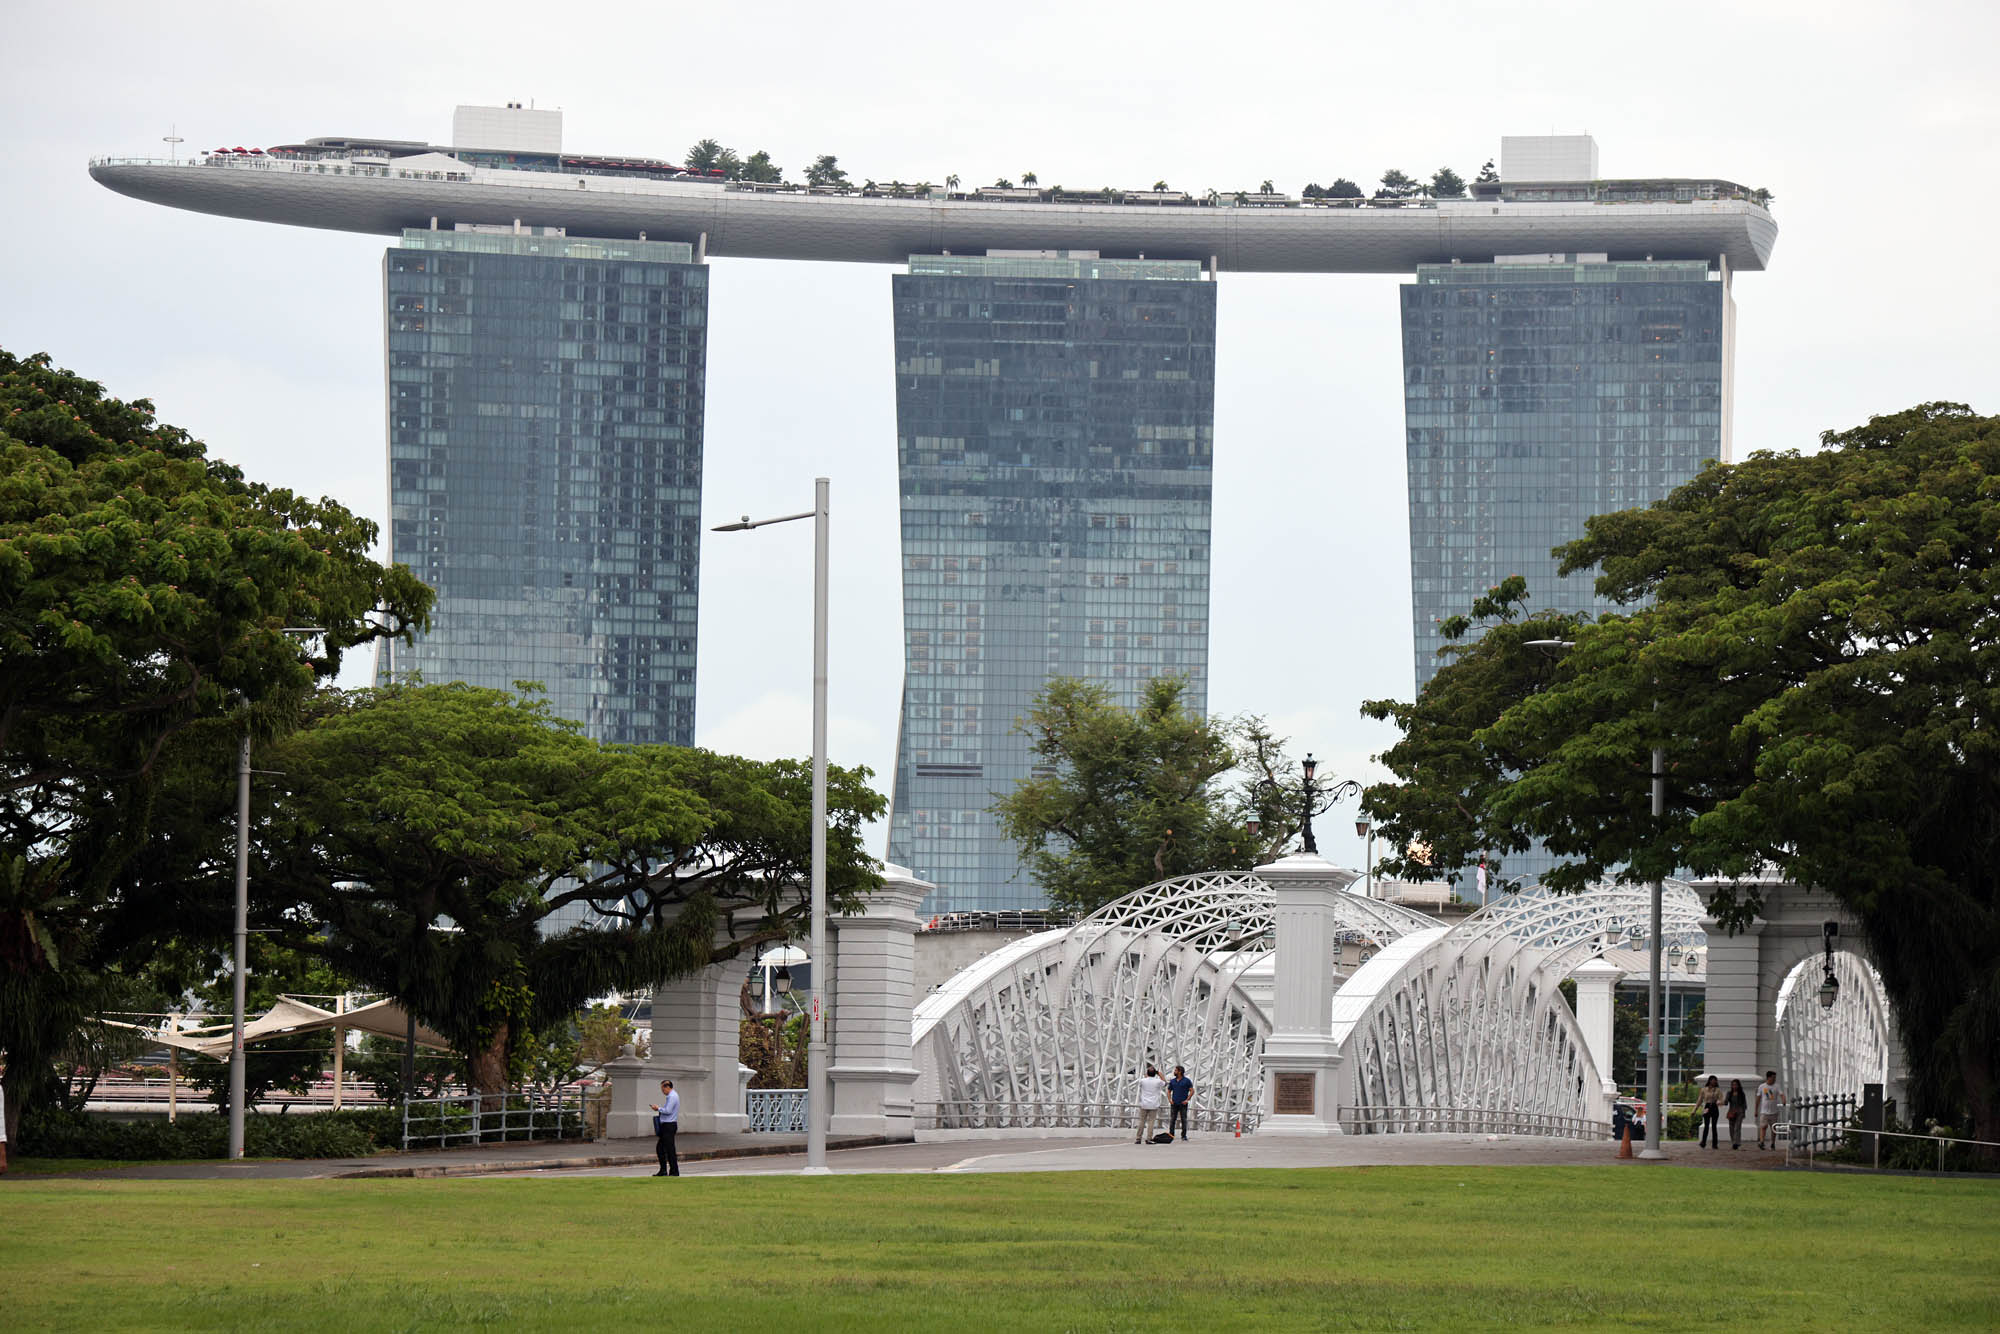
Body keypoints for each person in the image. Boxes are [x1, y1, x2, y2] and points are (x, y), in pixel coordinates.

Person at [650, 1078, 680, 1176]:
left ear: (667, 1087)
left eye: (663, 1089)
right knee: (663, 1148)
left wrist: (658, 1108)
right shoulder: (673, 1096)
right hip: (668, 1125)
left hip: (669, 1125)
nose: (663, 1091)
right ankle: (667, 1170)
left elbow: (668, 1111)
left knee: (667, 1149)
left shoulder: (672, 1097)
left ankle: (672, 1171)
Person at [1755, 1070, 1786, 1150]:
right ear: (1768, 1077)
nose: (1774, 1079)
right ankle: (1762, 1142)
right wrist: (1756, 1109)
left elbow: (1781, 1094)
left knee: (1773, 1128)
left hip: (1774, 1111)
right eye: (1773, 1077)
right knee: (1763, 1126)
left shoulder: (1777, 1086)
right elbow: (1758, 1098)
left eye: (1775, 1078)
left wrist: (1783, 1100)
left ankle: (1772, 1142)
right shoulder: (1762, 1086)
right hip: (1764, 1111)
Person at [1134, 1065, 1165, 1144]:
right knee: (1151, 1122)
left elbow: (1142, 1082)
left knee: (1142, 1121)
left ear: (1147, 1073)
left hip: (1144, 1104)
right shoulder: (1158, 1081)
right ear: (1155, 1074)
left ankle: (1138, 1138)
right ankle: (1149, 1138)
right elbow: (1165, 1083)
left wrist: (1146, 1076)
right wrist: (1159, 1074)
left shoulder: (1142, 1081)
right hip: (1153, 1104)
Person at [1166, 1065, 1195, 1141]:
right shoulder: (1172, 1081)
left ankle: (1184, 1136)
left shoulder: (1187, 1081)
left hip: (1183, 1103)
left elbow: (1192, 1091)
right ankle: (1171, 1135)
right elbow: (1169, 1091)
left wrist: (1187, 1100)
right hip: (1174, 1103)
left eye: (1176, 1070)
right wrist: (1169, 1100)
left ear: (1180, 1072)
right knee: (1172, 1119)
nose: (1174, 1072)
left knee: (1183, 1119)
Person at [1696, 1075, 1723, 1149]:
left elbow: (1722, 1100)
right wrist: (1694, 1110)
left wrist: (1719, 1102)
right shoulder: (1704, 1089)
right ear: (1709, 1081)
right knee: (1706, 1126)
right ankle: (1703, 1142)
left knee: (1714, 1126)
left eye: (1715, 1080)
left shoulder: (1718, 1090)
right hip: (1707, 1107)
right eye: (1712, 1080)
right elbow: (1699, 1100)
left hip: (1714, 1107)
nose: (1714, 1081)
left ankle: (1715, 1144)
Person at [1725, 1078, 1748, 1149]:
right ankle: (1733, 1142)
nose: (1734, 1086)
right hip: (1731, 1112)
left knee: (1737, 1128)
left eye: (1736, 1085)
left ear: (1738, 1085)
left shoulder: (1741, 1093)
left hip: (1739, 1111)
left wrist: (1743, 1113)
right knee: (1731, 1128)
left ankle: (1736, 1142)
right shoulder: (1729, 1093)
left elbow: (1744, 1104)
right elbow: (1726, 1102)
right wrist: (1722, 1101)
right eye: (1733, 1085)